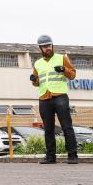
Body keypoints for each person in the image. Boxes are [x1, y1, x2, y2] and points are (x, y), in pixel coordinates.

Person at [31, 34, 79, 164]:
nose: (47, 48)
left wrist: (64, 69)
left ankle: (72, 155)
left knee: (66, 127)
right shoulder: (37, 63)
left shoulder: (62, 58)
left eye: (49, 45)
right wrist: (34, 80)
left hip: (60, 96)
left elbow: (72, 74)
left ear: (52, 45)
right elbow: (36, 83)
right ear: (40, 48)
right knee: (48, 129)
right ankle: (50, 157)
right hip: (44, 98)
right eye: (44, 46)